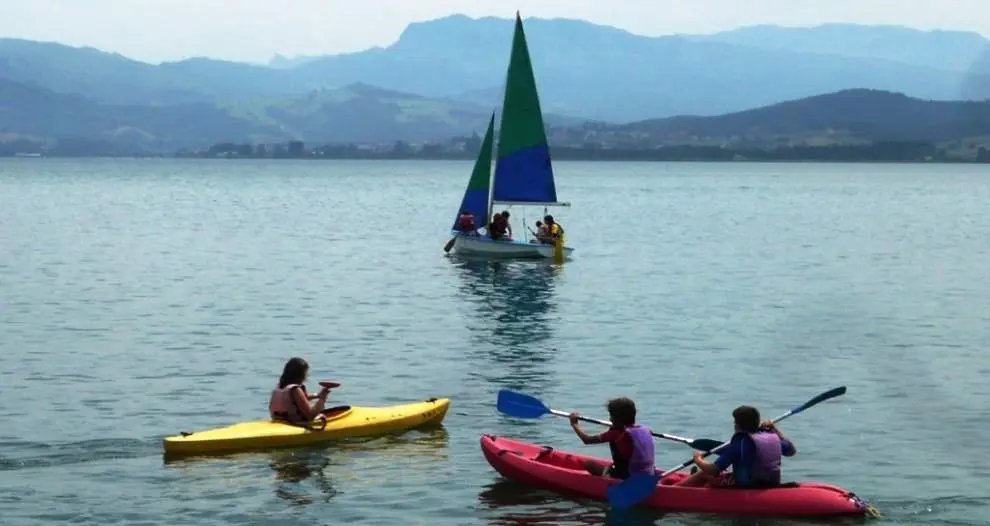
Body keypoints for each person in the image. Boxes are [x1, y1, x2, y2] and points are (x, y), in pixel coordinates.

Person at [676, 405, 796, 488]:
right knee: (726, 471)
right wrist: (775, 429)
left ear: (737, 425)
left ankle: (677, 490)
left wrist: (698, 459)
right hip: (771, 482)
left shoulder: (740, 444)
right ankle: (699, 485)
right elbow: (791, 451)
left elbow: (713, 469)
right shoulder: (771, 436)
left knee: (705, 473)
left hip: (747, 484)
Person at [568, 397, 656, 480]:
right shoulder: (646, 430)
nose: (610, 419)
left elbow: (587, 440)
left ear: (618, 419)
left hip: (626, 477)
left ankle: (610, 479)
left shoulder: (616, 434)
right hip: (647, 473)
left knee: (589, 464)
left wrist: (574, 424)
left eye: (611, 416)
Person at [268, 357, 336, 425]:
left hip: (278, 421)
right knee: (321, 416)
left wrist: (318, 395)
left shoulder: (279, 388)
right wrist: (322, 399)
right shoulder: (295, 390)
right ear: (300, 375)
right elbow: (310, 416)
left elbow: (298, 400)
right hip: (294, 423)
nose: (307, 375)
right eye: (306, 373)